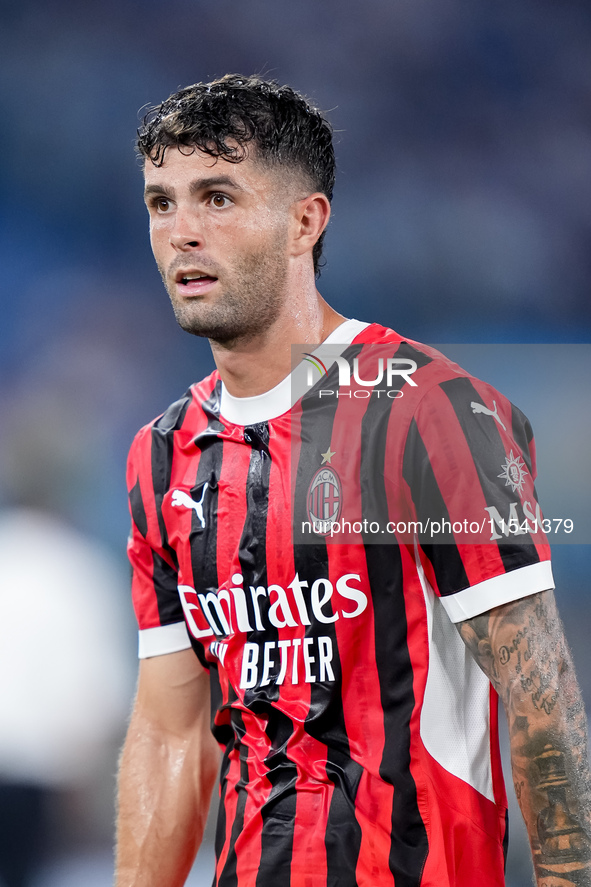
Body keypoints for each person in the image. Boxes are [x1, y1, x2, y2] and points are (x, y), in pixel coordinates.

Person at [115, 74, 591, 886]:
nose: (181, 232)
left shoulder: (430, 410)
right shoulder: (159, 456)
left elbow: (543, 704)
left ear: (305, 220)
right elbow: (169, 734)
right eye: (163, 202)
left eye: (217, 198)